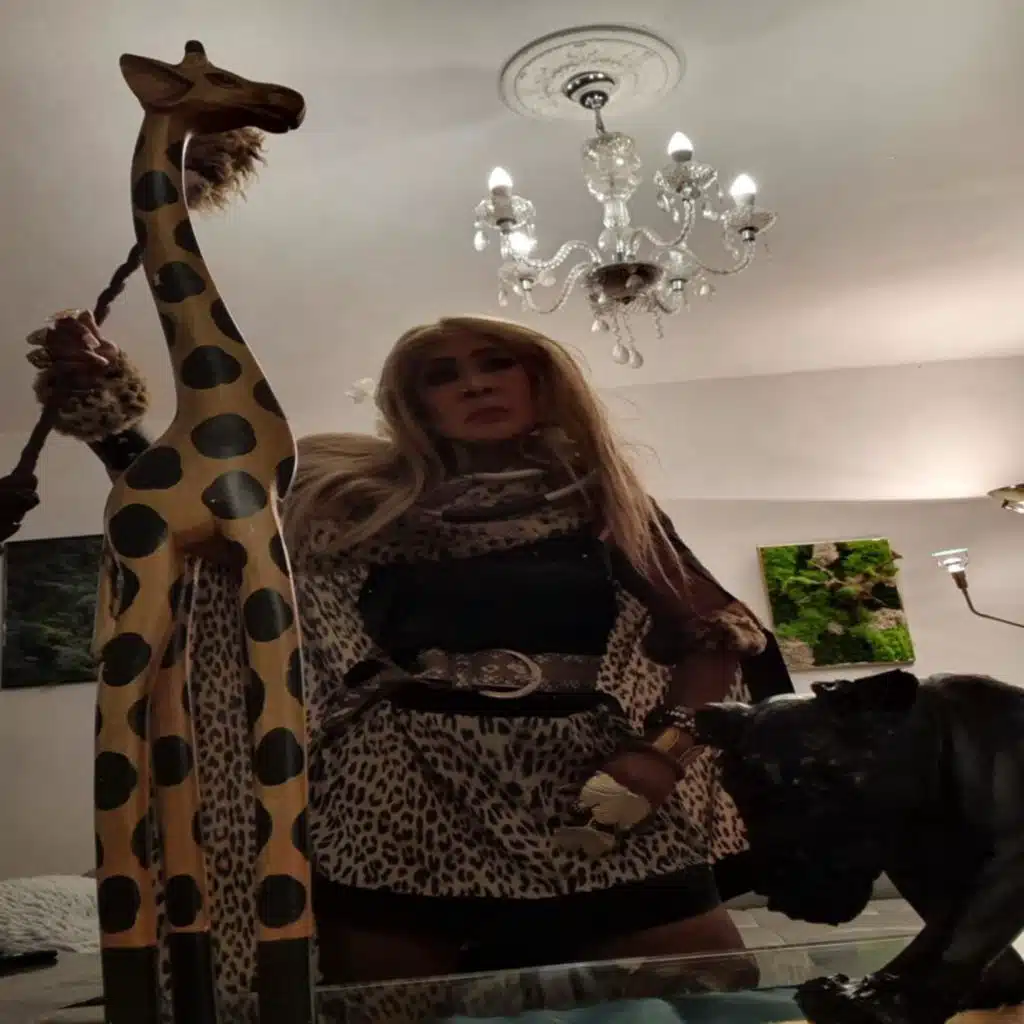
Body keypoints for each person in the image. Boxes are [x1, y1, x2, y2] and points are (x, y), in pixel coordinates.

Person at [32, 311, 793, 1000]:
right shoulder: (351, 498)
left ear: (539, 379)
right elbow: (209, 528)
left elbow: (718, 633)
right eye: (443, 375)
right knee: (388, 1007)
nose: (474, 384)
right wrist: (113, 423)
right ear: (415, 406)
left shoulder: (605, 502)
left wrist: (662, 754)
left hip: (583, 777)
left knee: (716, 990)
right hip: (398, 787)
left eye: (494, 363)